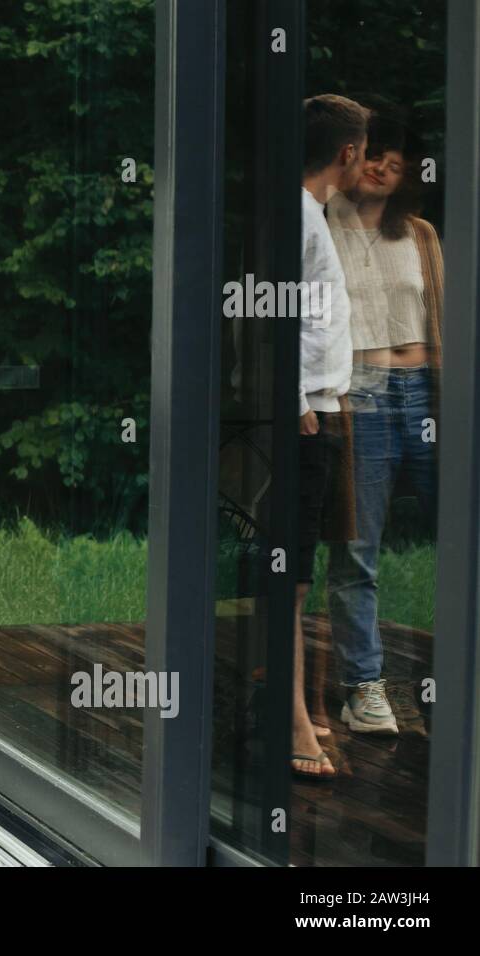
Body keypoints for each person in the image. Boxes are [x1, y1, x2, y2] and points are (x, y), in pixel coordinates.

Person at [325, 108, 443, 736]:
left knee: (455, 540)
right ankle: (362, 686)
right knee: (356, 549)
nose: (381, 168)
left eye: (395, 164)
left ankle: (446, 682)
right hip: (359, 396)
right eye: (375, 154)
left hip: (424, 393)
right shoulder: (321, 224)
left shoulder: (419, 235)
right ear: (353, 154)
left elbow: (445, 319)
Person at [290, 93, 367, 779]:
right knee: (287, 577)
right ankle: (293, 725)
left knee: (302, 573)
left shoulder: (314, 215)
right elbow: (272, 315)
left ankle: (305, 709)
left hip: (324, 408)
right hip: (305, 414)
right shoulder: (299, 220)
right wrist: (295, 401)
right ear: (348, 152)